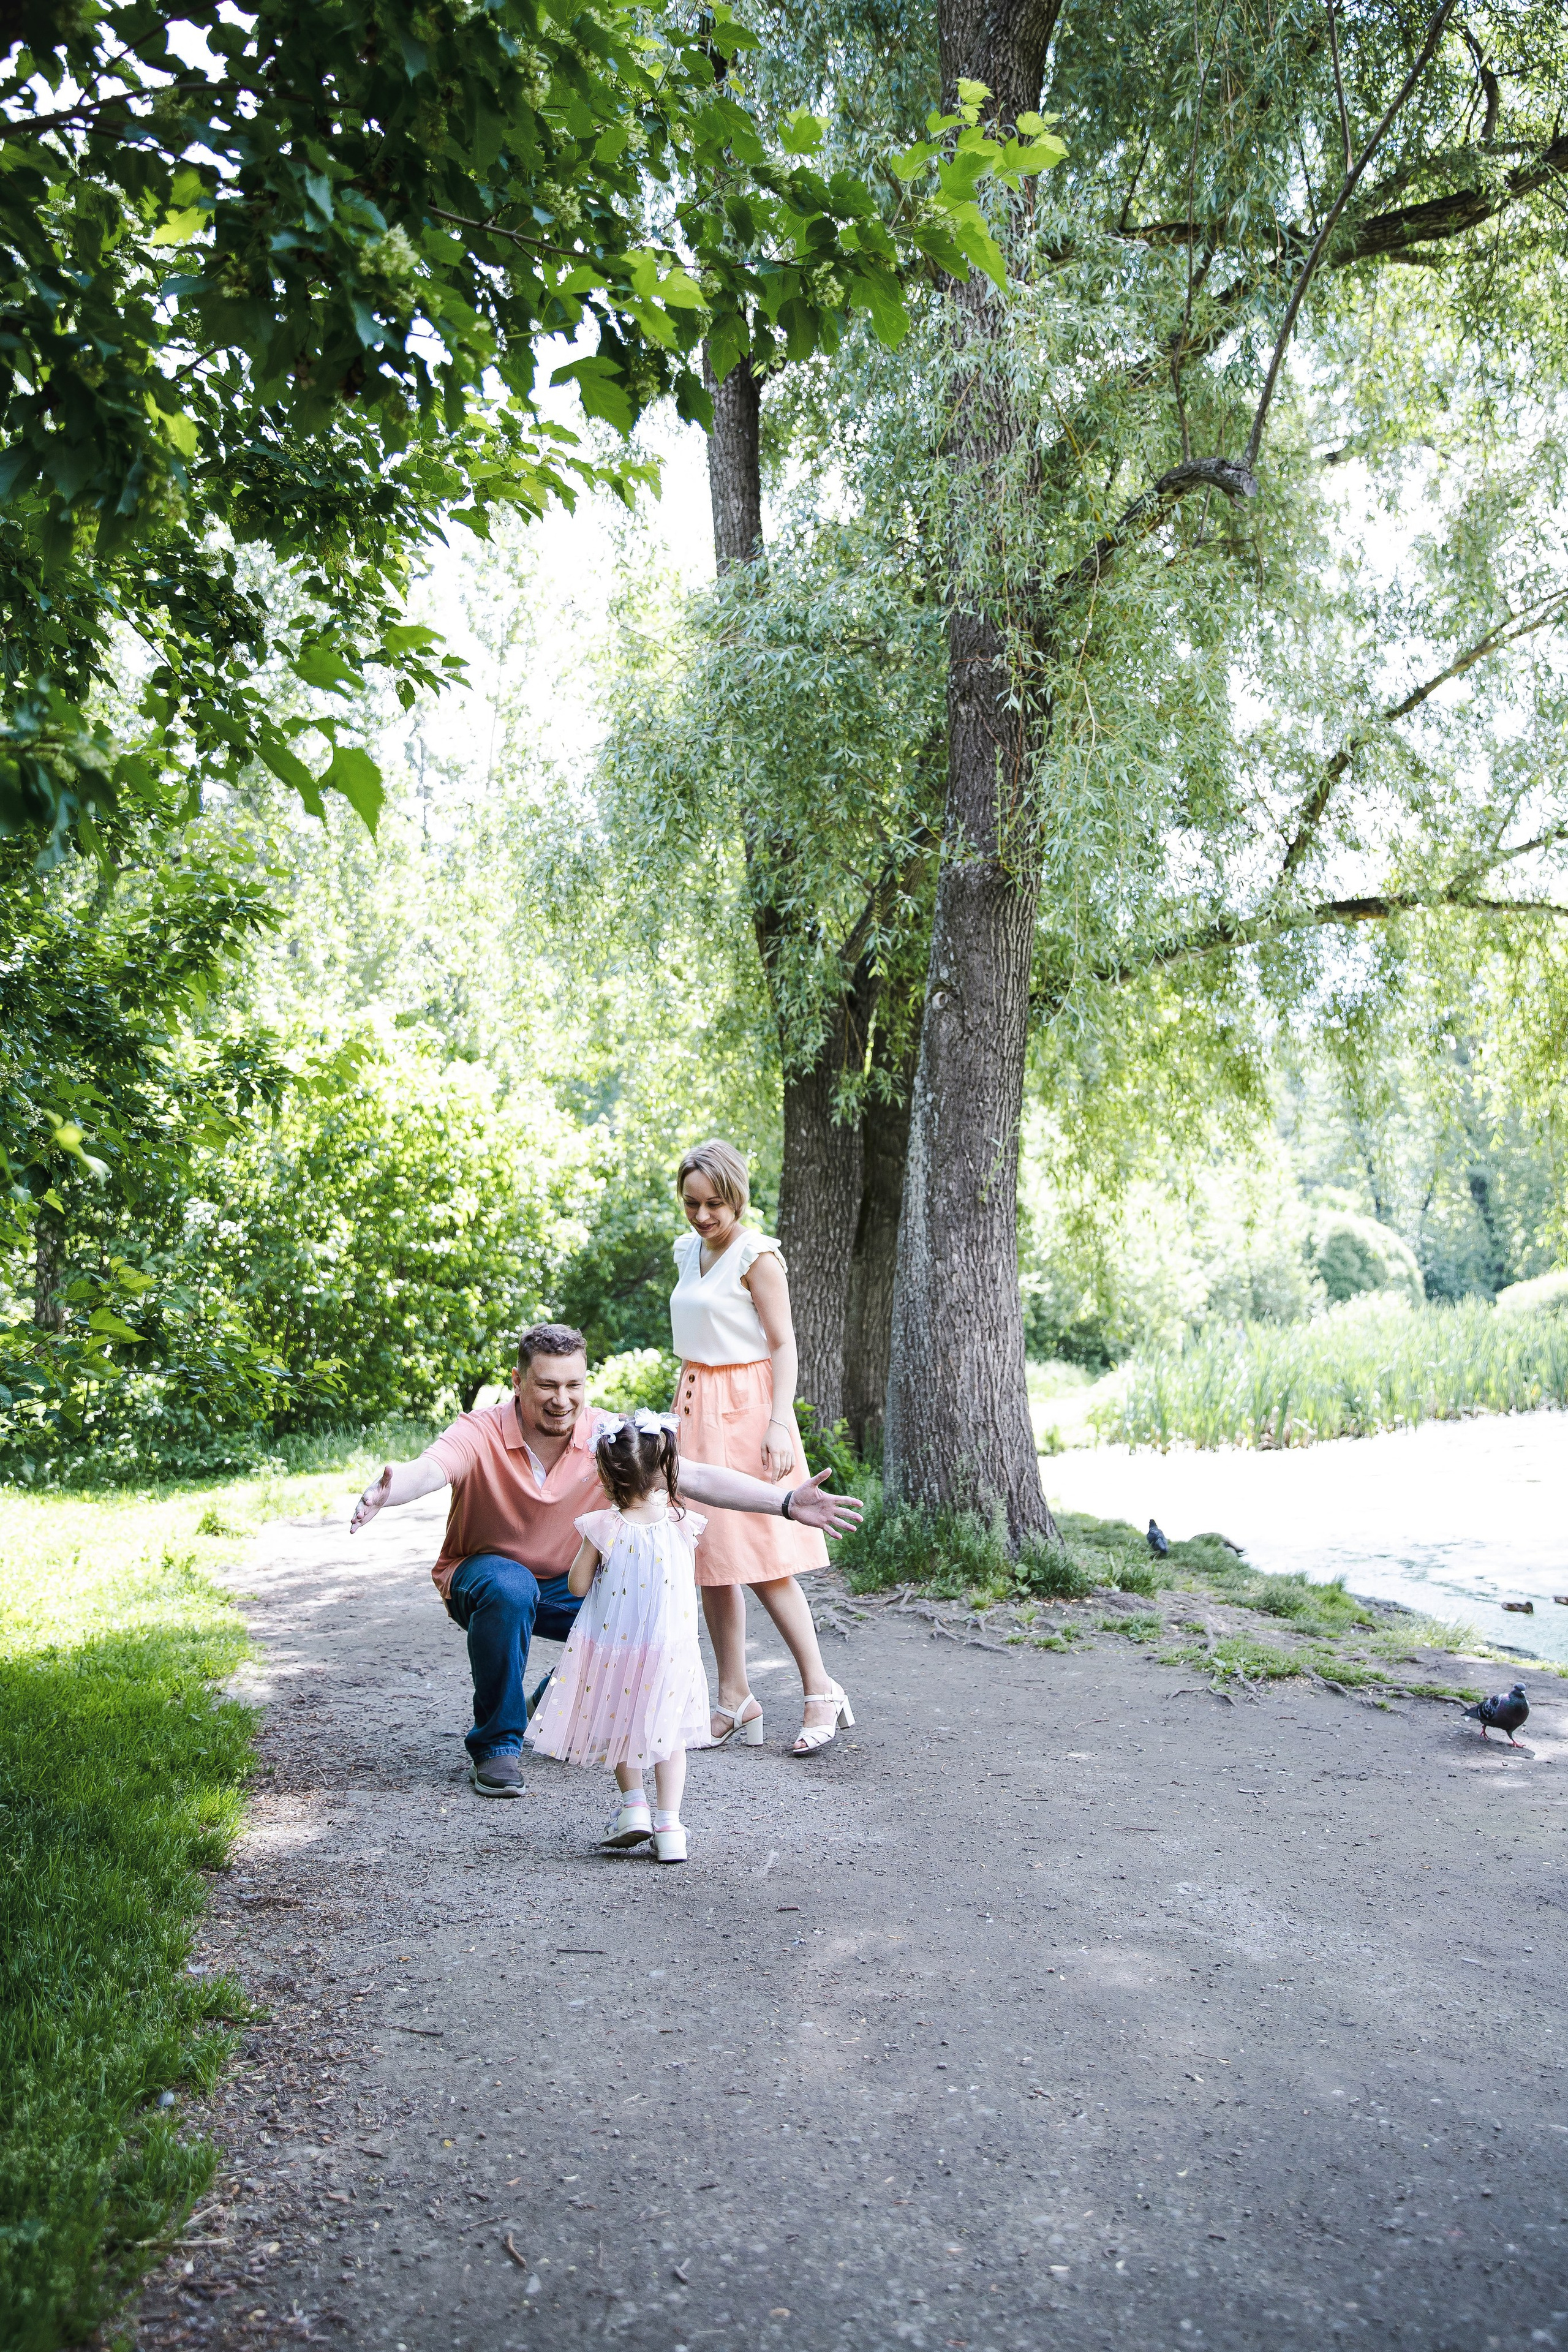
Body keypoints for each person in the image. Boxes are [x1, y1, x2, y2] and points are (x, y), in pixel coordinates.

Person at [349, 1321, 862, 1796]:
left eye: (574, 1385)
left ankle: (556, 1700)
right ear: (518, 1381)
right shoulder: (480, 1430)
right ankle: (497, 1745)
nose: (562, 1400)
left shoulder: (604, 1437)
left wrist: (788, 1502)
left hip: (569, 1586)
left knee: (647, 1605)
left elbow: (696, 1476)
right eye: (548, 1385)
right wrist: (389, 1491)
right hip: (485, 1577)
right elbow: (432, 1468)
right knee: (510, 1588)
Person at [670, 1139, 854, 1757]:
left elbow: (784, 1344)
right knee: (711, 1563)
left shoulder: (757, 1254)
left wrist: (779, 1422)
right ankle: (734, 1698)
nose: (701, 1216)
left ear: (737, 1195)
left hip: (747, 1411)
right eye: (691, 1203)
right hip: (694, 1404)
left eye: (714, 1204)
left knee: (764, 1561)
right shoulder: (686, 1251)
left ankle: (819, 1689)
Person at [524, 1408, 706, 1862]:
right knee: (669, 1738)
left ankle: (634, 1807)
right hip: (670, 1651)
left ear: (608, 1474)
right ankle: (671, 1827)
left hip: (618, 1651)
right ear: (665, 1467)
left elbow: (577, 1587)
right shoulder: (683, 1522)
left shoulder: (603, 1526)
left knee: (623, 1728)